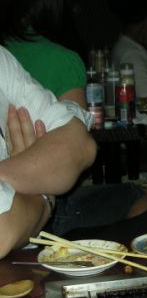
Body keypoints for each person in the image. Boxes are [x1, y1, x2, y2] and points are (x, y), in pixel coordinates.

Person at [0, 0, 147, 235]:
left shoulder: (6, 59)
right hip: (46, 207)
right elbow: (81, 149)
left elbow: (77, 144)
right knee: (144, 200)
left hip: (27, 200)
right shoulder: (62, 59)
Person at [0, 45, 96, 258]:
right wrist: (43, 196)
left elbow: (80, 146)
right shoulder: (63, 58)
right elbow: (3, 232)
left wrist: (10, 178)